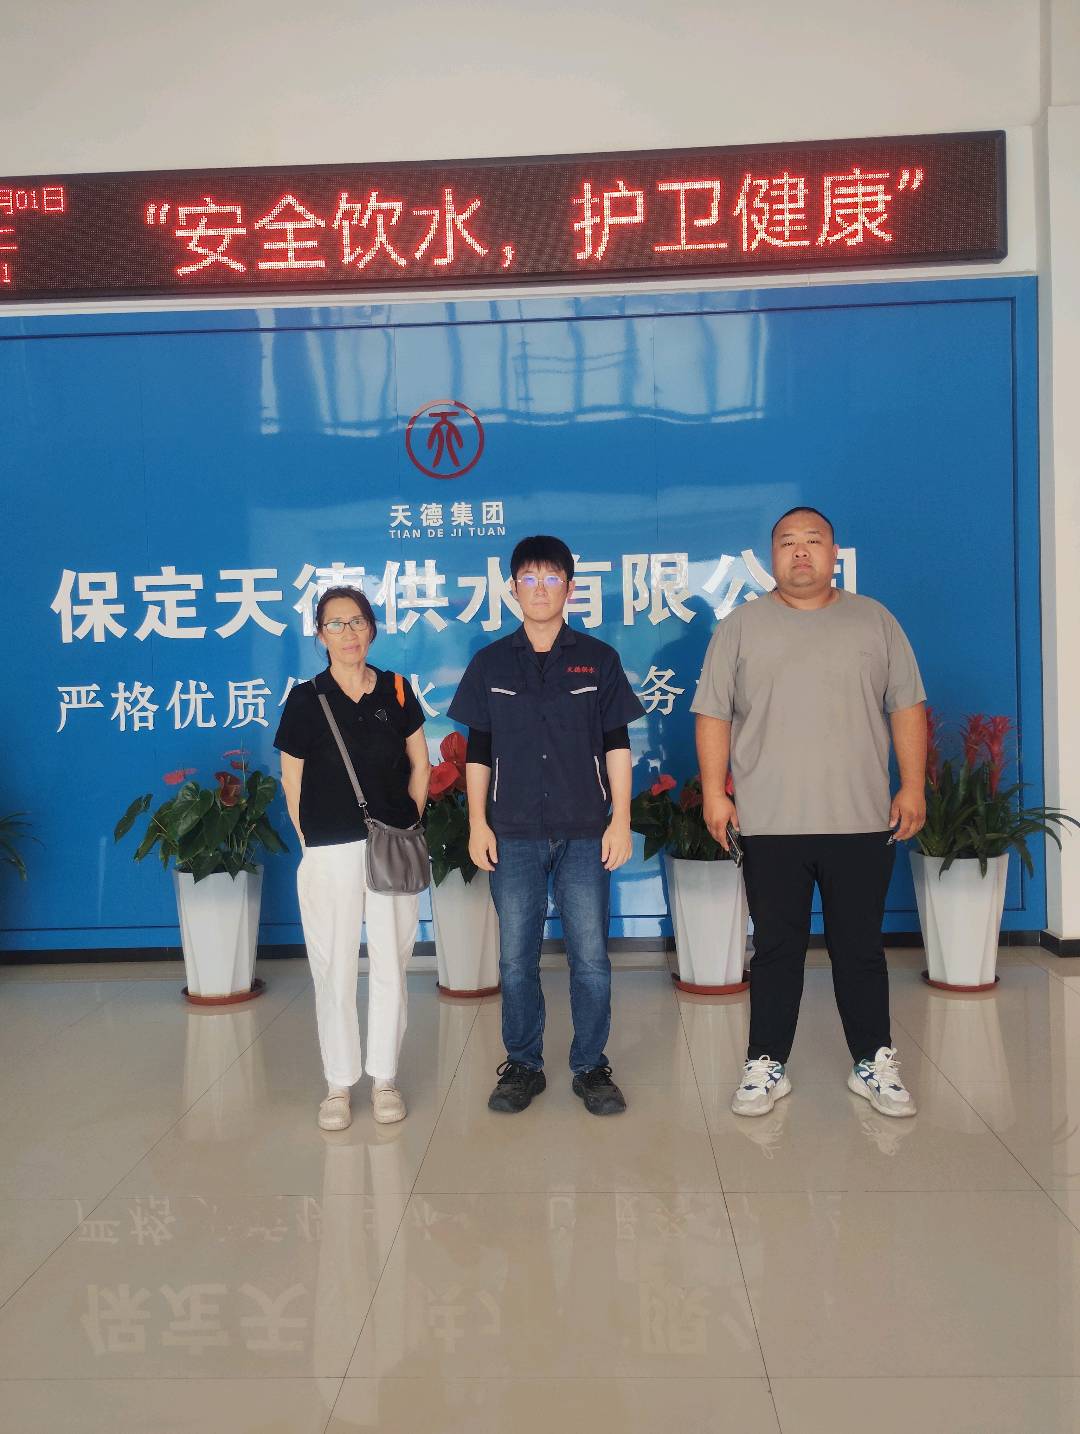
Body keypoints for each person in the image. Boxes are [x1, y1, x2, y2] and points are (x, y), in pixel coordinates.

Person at [693, 507, 927, 1120]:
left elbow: (906, 706)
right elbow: (713, 713)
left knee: (860, 947)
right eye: (788, 543)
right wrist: (715, 793)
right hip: (770, 822)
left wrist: (912, 786)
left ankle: (872, 1061)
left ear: (833, 552)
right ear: (771, 556)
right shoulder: (740, 627)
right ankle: (765, 1064)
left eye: (813, 541)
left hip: (861, 818)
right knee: (776, 948)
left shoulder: (875, 621)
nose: (801, 552)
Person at [448, 535, 644, 1115]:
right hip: (511, 832)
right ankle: (523, 1065)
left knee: (591, 957)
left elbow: (617, 745)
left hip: (585, 830)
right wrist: (477, 823)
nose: (540, 589)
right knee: (515, 959)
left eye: (552, 578)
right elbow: (477, 752)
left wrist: (621, 819)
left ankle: (591, 1065)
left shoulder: (598, 660)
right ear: (512, 589)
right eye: (529, 579)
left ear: (570, 588)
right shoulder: (490, 663)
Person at [274, 586, 430, 1131]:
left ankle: (384, 1078)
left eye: (357, 621)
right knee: (333, 966)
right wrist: (310, 840)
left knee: (391, 963)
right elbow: (291, 780)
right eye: (336, 624)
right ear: (320, 635)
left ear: (373, 629)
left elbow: (420, 763)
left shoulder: (397, 690)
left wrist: (408, 820)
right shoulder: (305, 699)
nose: (348, 633)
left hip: (391, 847)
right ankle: (339, 1084)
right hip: (329, 851)